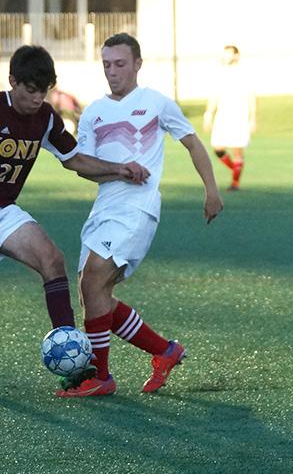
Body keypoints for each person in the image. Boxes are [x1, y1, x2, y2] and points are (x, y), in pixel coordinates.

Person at [0, 44, 150, 397]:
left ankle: (74, 362)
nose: (37, 98)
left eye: (43, 90)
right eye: (30, 90)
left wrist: (118, 169)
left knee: (52, 259)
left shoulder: (45, 117)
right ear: (12, 81)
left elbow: (75, 160)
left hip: (2, 211)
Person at [56, 32, 224, 398]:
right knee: (94, 294)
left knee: (93, 282)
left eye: (119, 64)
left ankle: (100, 376)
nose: (112, 72)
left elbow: (192, 143)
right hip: (104, 208)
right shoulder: (94, 113)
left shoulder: (157, 103)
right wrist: (119, 168)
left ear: (137, 64)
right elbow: (84, 167)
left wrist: (211, 189)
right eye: (106, 65)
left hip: (138, 208)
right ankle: (165, 351)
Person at [202, 45, 257, 191]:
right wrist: (208, 114)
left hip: (239, 115)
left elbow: (251, 96)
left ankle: (235, 183)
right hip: (223, 115)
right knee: (218, 148)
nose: (226, 57)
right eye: (225, 54)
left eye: (229, 54)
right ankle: (236, 169)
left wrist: (253, 117)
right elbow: (214, 95)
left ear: (236, 56)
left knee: (237, 150)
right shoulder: (220, 73)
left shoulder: (243, 74)